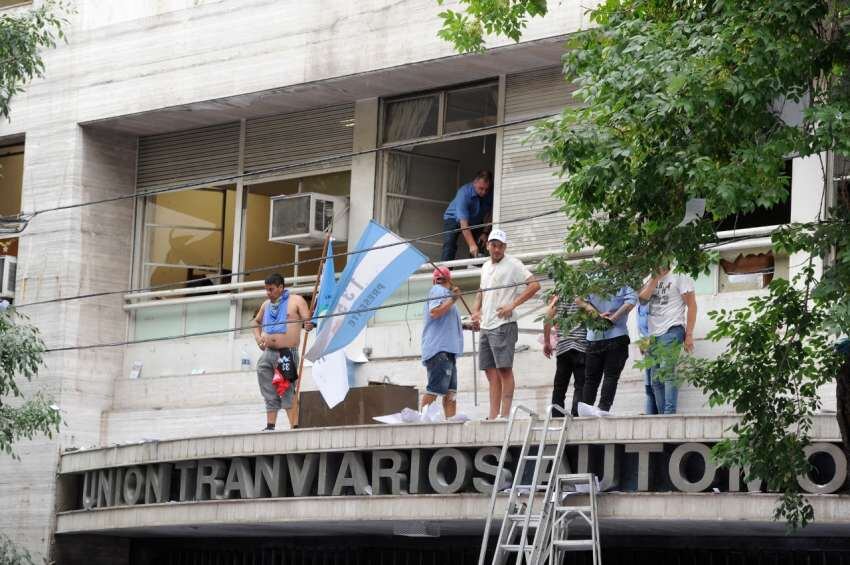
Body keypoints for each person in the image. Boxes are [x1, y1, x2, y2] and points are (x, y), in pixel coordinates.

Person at [471, 229, 541, 420]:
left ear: (505, 247)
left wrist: (513, 304)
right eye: (494, 245)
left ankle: (505, 414)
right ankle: (493, 415)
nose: (497, 249)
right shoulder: (485, 266)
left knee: (504, 369)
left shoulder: (513, 264)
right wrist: (476, 311)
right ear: (487, 246)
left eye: (500, 245)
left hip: (503, 324)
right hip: (486, 325)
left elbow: (534, 285)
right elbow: (481, 290)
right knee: (490, 371)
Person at [251, 273, 314, 431]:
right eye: (266, 290)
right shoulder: (266, 304)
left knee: (286, 389)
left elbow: (309, 320)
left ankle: (295, 426)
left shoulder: (296, 300)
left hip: (287, 352)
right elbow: (255, 322)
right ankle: (270, 425)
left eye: (271, 289)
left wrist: (309, 324)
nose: (268, 293)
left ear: (281, 287)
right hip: (268, 352)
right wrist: (258, 338)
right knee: (267, 386)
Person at [638, 267, 697, 414]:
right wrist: (655, 278)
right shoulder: (650, 277)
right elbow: (642, 301)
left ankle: (669, 414)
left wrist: (689, 334)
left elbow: (692, 305)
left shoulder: (679, 275)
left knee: (666, 372)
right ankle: (663, 416)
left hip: (672, 329)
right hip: (653, 335)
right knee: (655, 380)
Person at [577, 286, 637, 413]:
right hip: (617, 334)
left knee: (591, 379)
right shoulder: (623, 278)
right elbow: (631, 301)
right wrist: (612, 319)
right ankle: (603, 409)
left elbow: (579, 300)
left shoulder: (589, 276)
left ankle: (586, 411)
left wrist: (597, 317)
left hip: (594, 337)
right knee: (611, 376)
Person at [420, 267, 464, 418]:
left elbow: (447, 320)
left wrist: (468, 325)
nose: (439, 281)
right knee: (434, 390)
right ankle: (422, 423)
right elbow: (434, 312)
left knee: (451, 394)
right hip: (440, 350)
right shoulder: (438, 291)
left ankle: (450, 424)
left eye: (441, 278)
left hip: (447, 351)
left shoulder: (447, 297)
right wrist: (453, 299)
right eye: (439, 278)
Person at [543, 295, 588, 417]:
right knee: (580, 384)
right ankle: (577, 415)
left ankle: (557, 416)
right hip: (581, 347)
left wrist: (547, 342)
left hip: (563, 348)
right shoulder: (586, 295)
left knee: (560, 386)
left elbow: (547, 318)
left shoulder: (559, 297)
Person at [441, 170, 494, 261]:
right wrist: (471, 244)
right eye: (481, 188)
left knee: (481, 243)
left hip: (475, 220)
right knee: (450, 243)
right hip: (454, 219)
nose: (484, 192)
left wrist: (485, 232)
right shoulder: (464, 193)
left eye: (486, 189)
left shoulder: (491, 193)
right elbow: (464, 224)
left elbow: (491, 214)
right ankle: (444, 272)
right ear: (474, 183)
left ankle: (474, 268)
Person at [636, 303, 658, 415]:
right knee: (649, 386)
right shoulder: (640, 304)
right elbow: (640, 324)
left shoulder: (653, 300)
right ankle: (649, 414)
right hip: (646, 344)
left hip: (656, 343)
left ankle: (657, 414)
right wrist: (642, 341)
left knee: (656, 383)